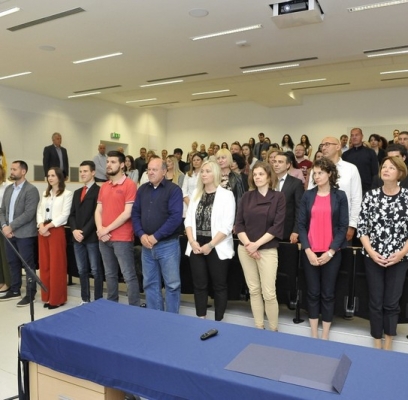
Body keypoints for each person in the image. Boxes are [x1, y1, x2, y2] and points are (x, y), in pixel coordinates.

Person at [357, 156, 408, 350]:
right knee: (375, 301)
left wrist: (401, 253)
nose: (386, 170)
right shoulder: (371, 196)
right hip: (373, 257)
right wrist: (371, 252)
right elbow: (362, 228)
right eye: (384, 167)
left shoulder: (407, 197)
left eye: (391, 168)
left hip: (400, 258)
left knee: (392, 302)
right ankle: (377, 342)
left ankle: (388, 343)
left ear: (400, 173)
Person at [298, 158, 349, 340]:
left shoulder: (340, 196)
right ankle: (314, 334)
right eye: (315, 173)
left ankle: (325, 335)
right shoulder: (307, 195)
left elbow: (343, 227)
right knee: (312, 292)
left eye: (321, 173)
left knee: (328, 293)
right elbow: (301, 225)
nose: (317, 176)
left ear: (330, 173)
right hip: (310, 252)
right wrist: (308, 250)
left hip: (331, 253)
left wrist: (331, 252)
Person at [235, 161, 286, 330]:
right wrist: (249, 245)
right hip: (245, 249)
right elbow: (239, 225)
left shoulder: (278, 197)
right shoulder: (246, 197)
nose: (257, 177)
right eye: (255, 174)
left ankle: (273, 330)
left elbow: (277, 227)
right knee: (254, 290)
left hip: (267, 249)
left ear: (269, 177)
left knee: (269, 293)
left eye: (261, 174)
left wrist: (255, 245)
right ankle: (259, 327)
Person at [185, 160, 235, 321]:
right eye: (202, 171)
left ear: (216, 174)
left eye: (207, 171)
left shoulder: (226, 195)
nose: (203, 174)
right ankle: (201, 318)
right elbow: (188, 221)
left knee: (219, 285)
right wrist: (192, 242)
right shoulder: (196, 194)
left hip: (217, 245)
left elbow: (227, 226)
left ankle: (219, 321)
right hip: (196, 244)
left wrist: (211, 245)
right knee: (199, 285)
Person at [132, 156, 183, 313]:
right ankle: (155, 317)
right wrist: (141, 235)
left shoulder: (174, 190)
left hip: (167, 245)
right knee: (150, 283)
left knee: (172, 285)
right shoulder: (142, 189)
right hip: (146, 245)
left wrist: (155, 237)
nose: (150, 172)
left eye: (154, 169)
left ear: (164, 171)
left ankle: (172, 319)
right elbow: (135, 214)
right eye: (149, 169)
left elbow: (175, 218)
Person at [95, 151, 140, 306]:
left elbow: (127, 213)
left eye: (113, 162)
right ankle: (112, 305)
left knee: (128, 275)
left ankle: (134, 308)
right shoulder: (104, 186)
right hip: (103, 237)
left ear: (122, 165)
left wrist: (106, 229)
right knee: (109, 274)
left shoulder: (130, 185)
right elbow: (98, 210)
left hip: (122, 238)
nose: (109, 164)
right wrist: (100, 229)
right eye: (108, 162)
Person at [0, 161, 39, 306]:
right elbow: (2, 210)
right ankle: (15, 289)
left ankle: (30, 294)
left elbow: (29, 214)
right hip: (8, 233)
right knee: (12, 262)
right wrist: (4, 226)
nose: (11, 171)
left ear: (23, 172)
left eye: (14, 169)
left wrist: (11, 227)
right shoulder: (9, 189)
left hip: (24, 234)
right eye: (11, 169)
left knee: (27, 264)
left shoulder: (31, 190)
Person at [308, 137, 362, 243]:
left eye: (327, 144)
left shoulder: (351, 169)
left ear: (338, 147)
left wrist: (352, 225)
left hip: (342, 223)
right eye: (322, 145)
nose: (323, 148)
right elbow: (310, 197)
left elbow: (356, 198)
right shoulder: (316, 170)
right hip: (318, 222)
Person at [37, 167, 73, 309]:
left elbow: (65, 214)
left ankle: (57, 298)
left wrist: (49, 227)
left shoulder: (67, 194)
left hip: (56, 229)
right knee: (44, 264)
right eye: (48, 175)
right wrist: (41, 225)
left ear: (59, 177)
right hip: (43, 230)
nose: (50, 178)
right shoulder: (45, 193)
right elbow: (39, 211)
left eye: (53, 175)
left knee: (57, 265)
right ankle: (47, 296)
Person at [69, 161, 103, 304]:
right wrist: (74, 230)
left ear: (93, 172)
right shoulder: (77, 192)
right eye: (81, 171)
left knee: (95, 270)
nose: (82, 174)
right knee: (81, 270)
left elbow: (96, 215)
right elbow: (72, 215)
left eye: (85, 171)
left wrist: (83, 232)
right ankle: (85, 299)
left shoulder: (99, 191)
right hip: (77, 238)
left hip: (91, 237)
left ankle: (98, 300)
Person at [273, 152, 304, 243]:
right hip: (268, 230)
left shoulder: (296, 183)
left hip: (287, 231)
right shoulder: (268, 182)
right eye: (275, 162)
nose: (276, 164)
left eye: (280, 162)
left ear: (288, 165)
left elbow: (299, 209)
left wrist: (296, 230)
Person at [343, 128, 378, 194]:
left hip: (367, 188)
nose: (354, 137)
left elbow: (375, 172)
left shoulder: (370, 152)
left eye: (356, 135)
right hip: (350, 188)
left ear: (362, 136)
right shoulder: (346, 155)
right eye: (352, 135)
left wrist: (373, 188)